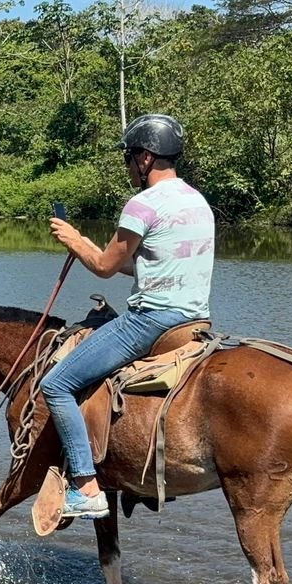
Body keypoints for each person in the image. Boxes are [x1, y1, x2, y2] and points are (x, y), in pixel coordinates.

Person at [42, 114, 216, 519]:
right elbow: (141, 265)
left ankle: (85, 486)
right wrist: (89, 247)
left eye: (129, 157)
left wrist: (73, 239)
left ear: (146, 157)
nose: (128, 166)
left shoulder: (144, 204)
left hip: (151, 321)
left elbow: (103, 267)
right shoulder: (197, 201)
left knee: (57, 384)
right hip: (195, 323)